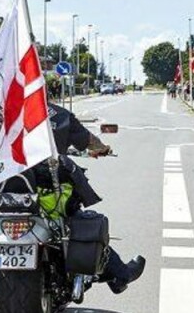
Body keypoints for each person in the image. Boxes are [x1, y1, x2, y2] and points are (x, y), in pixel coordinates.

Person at [46, 103, 145, 294]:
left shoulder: (2, 110)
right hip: (48, 184)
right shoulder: (59, 114)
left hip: (6, 188)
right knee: (78, 221)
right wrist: (103, 148)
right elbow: (88, 140)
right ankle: (119, 274)